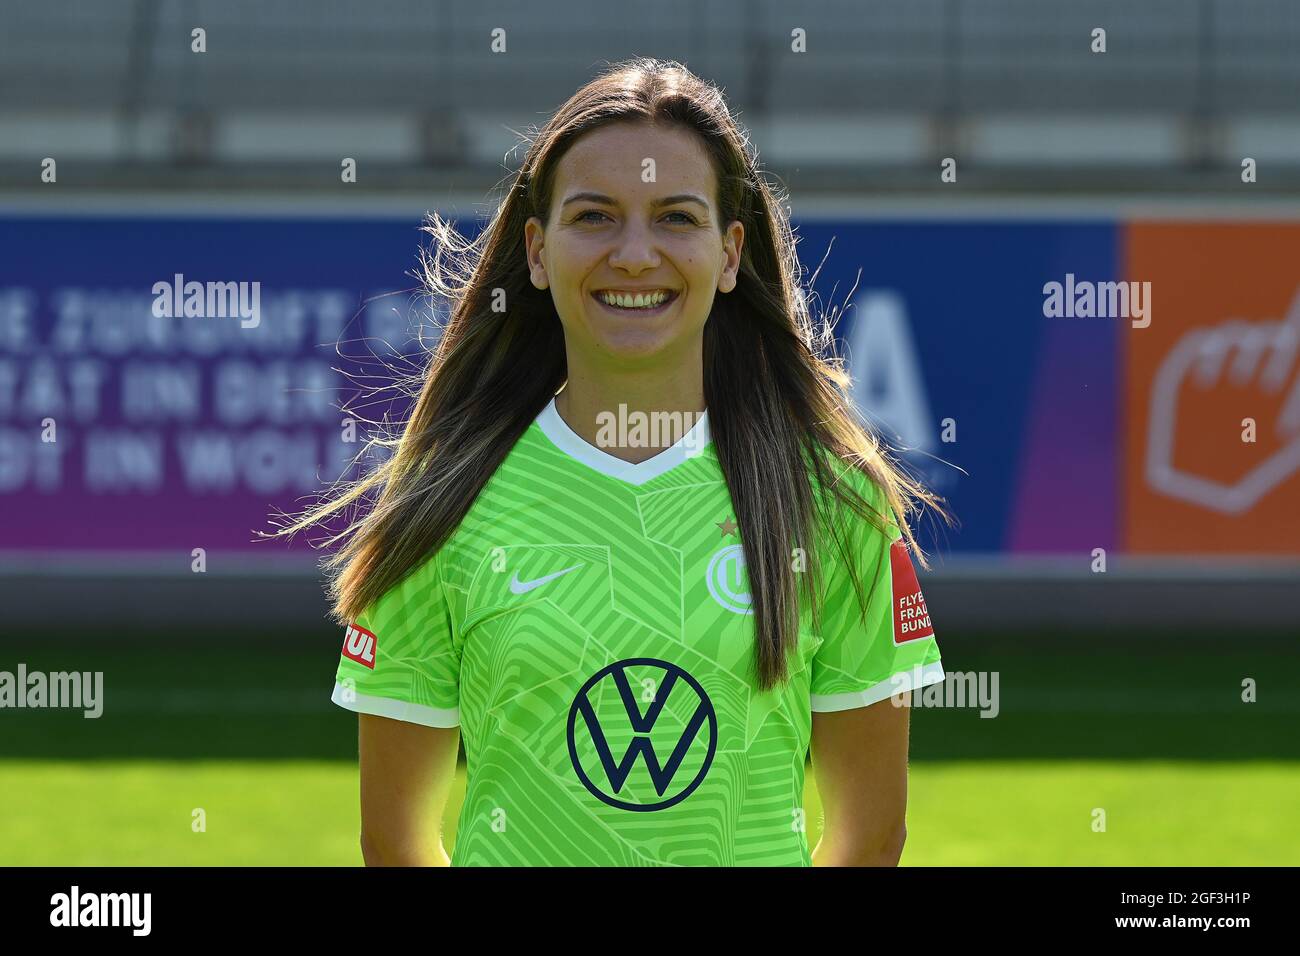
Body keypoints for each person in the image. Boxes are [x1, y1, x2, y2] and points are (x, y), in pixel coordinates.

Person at [279, 57, 947, 866]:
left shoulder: (833, 503)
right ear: (536, 250)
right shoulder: (445, 505)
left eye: (675, 217)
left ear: (730, 253)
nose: (634, 255)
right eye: (595, 217)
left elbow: (870, 836)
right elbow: (395, 839)